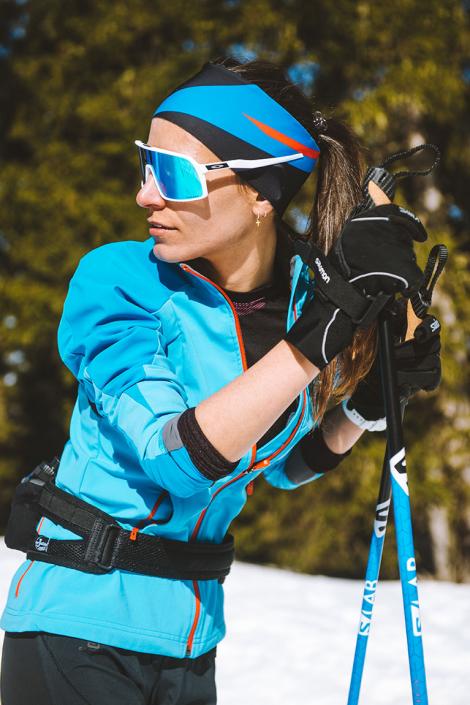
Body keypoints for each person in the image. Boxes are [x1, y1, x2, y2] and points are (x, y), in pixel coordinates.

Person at [0, 56, 441, 705]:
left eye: (172, 174)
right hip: (78, 632)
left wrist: (370, 404)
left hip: (191, 648)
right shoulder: (120, 280)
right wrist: (319, 334)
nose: (146, 194)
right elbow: (175, 457)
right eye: (145, 164)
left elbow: (275, 464)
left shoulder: (301, 299)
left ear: (262, 194)